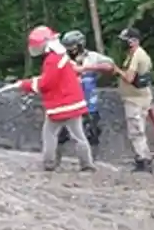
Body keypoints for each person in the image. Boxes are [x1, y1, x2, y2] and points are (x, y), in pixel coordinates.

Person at [18, 25, 95, 172]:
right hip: (73, 103)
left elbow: (46, 83)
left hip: (60, 105)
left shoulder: (52, 60)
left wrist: (25, 84)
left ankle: (49, 163)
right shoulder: (61, 56)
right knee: (79, 135)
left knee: (49, 134)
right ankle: (87, 164)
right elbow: (52, 77)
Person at [59, 30, 115, 147]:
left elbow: (110, 66)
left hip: (89, 102)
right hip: (68, 103)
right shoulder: (63, 59)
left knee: (92, 131)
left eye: (72, 47)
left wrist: (86, 68)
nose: (70, 50)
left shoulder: (92, 57)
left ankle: (93, 157)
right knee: (62, 134)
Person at [116, 27, 154, 172]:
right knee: (139, 128)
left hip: (135, 100)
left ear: (133, 41)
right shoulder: (137, 54)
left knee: (136, 131)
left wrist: (117, 70)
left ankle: (143, 160)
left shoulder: (137, 56)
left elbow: (129, 78)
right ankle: (142, 158)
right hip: (140, 98)